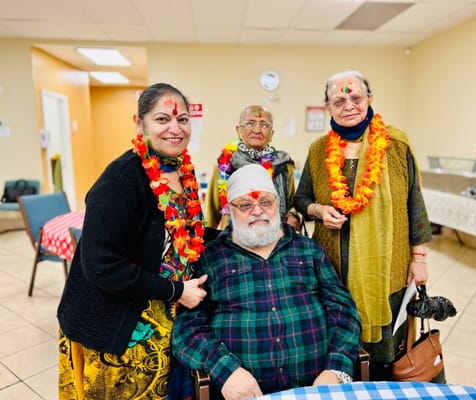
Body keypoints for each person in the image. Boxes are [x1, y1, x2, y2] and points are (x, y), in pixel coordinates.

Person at [57, 83, 210, 399]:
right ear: (139, 123)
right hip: (115, 326)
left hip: (161, 312)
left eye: (182, 119)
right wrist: (176, 290)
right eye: (162, 119)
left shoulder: (181, 170)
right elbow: (102, 267)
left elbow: (179, 230)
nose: (175, 129)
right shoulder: (121, 179)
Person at [172, 164, 361, 400]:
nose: (257, 211)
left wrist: (335, 369)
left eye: (265, 202)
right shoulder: (210, 258)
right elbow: (186, 330)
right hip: (242, 393)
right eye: (245, 205)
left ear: (278, 204)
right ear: (229, 209)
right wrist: (225, 370)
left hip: (314, 390)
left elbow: (345, 313)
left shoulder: (309, 250)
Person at [294, 70, 432, 381]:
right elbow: (301, 198)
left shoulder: (395, 144)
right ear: (328, 107)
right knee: (339, 339)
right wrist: (318, 209)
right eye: (338, 100)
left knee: (385, 349)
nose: (349, 105)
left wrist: (419, 258)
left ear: (369, 99)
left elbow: (416, 202)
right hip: (333, 266)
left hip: (388, 266)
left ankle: (381, 384)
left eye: (355, 97)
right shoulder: (318, 150)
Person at [205, 104, 295, 229]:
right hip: (232, 241)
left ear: (271, 133)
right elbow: (211, 212)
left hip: (276, 239)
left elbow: (292, 204)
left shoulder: (283, 165)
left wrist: (294, 216)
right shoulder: (224, 165)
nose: (257, 130)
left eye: (264, 125)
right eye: (250, 123)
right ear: (239, 130)